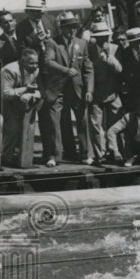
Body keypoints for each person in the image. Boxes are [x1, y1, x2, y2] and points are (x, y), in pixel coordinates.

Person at [39, 12, 93, 166]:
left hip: (77, 90)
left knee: (82, 122)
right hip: (58, 90)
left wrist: (89, 90)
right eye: (69, 28)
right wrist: (65, 70)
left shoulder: (82, 44)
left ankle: (85, 154)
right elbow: (47, 62)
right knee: (54, 124)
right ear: (62, 29)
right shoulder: (52, 43)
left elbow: (88, 69)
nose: (72, 31)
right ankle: (53, 156)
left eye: (74, 28)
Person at [0, 47, 42, 168]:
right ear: (23, 60)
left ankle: (5, 158)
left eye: (36, 63)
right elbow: (5, 93)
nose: (34, 66)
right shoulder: (10, 70)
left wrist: (31, 93)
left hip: (4, 99)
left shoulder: (35, 71)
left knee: (13, 128)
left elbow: (36, 89)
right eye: (31, 63)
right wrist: (26, 90)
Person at [85, 21, 123, 163]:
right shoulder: (89, 49)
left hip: (113, 93)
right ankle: (100, 154)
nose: (103, 41)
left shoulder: (116, 49)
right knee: (96, 126)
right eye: (100, 38)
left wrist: (109, 57)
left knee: (116, 123)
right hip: (97, 93)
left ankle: (115, 150)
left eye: (105, 37)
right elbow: (88, 71)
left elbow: (119, 69)